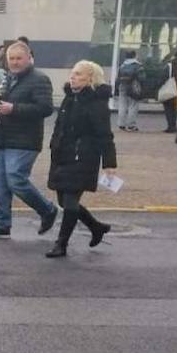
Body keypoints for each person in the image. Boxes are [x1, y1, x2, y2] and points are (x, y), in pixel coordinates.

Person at [0, 41, 57, 239]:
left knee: (16, 179)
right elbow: (1, 106)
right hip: (4, 137)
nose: (14, 62)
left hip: (25, 140)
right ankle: (2, 224)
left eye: (18, 58)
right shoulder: (9, 78)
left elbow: (46, 108)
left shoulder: (39, 79)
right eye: (11, 59)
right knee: (0, 185)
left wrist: (15, 109)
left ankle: (47, 210)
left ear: (28, 58)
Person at [44, 61, 117, 258]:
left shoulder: (96, 104)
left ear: (90, 79)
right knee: (64, 200)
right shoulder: (70, 98)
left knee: (69, 200)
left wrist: (109, 164)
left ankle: (61, 244)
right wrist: (54, 145)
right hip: (63, 155)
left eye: (78, 74)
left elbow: (105, 135)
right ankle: (96, 227)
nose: (73, 77)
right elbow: (60, 126)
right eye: (73, 73)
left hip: (83, 157)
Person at [114, 49, 143, 132]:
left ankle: (121, 124)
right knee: (133, 106)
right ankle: (131, 125)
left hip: (122, 86)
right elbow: (142, 78)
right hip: (133, 87)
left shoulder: (122, 65)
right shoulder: (138, 66)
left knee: (122, 105)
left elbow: (118, 78)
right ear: (134, 55)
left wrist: (116, 89)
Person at [160, 47, 177, 133]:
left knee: (168, 108)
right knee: (176, 109)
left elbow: (163, 77)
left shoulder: (170, 64)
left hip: (170, 88)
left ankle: (171, 126)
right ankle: (175, 125)